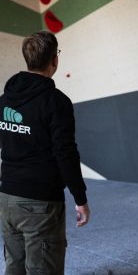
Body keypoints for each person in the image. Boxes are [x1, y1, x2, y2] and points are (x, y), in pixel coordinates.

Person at [0, 31, 90, 274]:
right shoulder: (56, 102)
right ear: (54, 60)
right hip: (40, 202)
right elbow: (66, 153)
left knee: (14, 267)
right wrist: (80, 198)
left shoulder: (5, 100)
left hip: (7, 197)